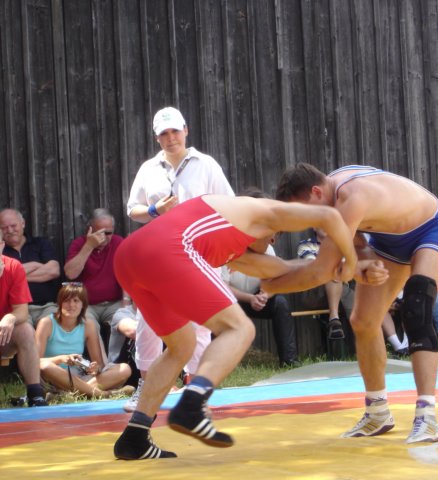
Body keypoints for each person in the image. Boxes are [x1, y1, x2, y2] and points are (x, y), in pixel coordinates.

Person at [112, 193, 363, 460]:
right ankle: (192, 404)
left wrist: (346, 268)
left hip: (130, 258)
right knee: (240, 328)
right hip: (167, 248)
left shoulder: (235, 244)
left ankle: (135, 437)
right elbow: (329, 215)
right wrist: (352, 260)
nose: (273, 242)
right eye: (274, 236)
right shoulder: (262, 211)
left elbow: (282, 268)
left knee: (181, 347)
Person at [270, 163, 438, 444]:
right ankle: (377, 411)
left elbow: (321, 271)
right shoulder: (331, 198)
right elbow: (357, 246)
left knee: (417, 308)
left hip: (431, 228)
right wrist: (366, 267)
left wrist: (270, 283)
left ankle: (427, 416)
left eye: (304, 211)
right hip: (388, 241)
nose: (307, 220)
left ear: (317, 191)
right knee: (363, 321)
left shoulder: (350, 198)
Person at [124, 106, 235, 412]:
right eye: (164, 133)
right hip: (158, 254)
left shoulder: (206, 164)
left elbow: (228, 204)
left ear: (186, 130)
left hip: (200, 252)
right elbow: (132, 209)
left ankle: (195, 392)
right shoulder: (149, 168)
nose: (171, 138)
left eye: (175, 131)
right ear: (156, 137)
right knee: (148, 319)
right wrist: (154, 210)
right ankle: (146, 387)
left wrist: (226, 247)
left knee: (200, 322)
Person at [35, 283, 133, 398]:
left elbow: (99, 364)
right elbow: (35, 361)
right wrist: (61, 359)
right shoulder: (47, 323)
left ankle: (71, 394)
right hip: (54, 376)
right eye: (66, 301)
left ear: (83, 305)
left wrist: (94, 368)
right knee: (46, 366)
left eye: (76, 301)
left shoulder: (88, 325)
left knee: (125, 369)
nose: (71, 305)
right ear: (60, 303)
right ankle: (103, 394)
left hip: (79, 376)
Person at [221, 243, 299, 367]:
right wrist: (250, 298)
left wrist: (265, 295)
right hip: (232, 300)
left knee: (280, 304)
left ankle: (289, 360)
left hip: (258, 296)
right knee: (217, 305)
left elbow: (275, 280)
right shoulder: (227, 249)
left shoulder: (267, 249)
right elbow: (223, 287)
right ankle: (220, 362)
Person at [63, 208, 126, 347]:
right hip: (86, 304)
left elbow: (128, 274)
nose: (104, 236)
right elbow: (71, 274)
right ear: (89, 229)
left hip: (114, 303)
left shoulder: (118, 242)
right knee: (90, 328)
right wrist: (89, 246)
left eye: (108, 233)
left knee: (127, 323)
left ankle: (127, 360)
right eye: (100, 232)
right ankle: (101, 361)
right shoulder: (79, 244)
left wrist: (126, 303)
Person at [0, 229, 48, 406]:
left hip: (3, 335)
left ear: (1, 246)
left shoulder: (13, 267)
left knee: (26, 330)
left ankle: (35, 395)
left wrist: (10, 318)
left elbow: (22, 312)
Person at [0, 208, 61, 326]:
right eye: (4, 228)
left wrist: (14, 276)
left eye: (13, 225)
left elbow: (53, 271)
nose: (10, 230)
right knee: (23, 330)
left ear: (23, 223)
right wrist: (35, 265)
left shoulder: (41, 243)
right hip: (14, 309)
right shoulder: (1, 250)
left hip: (46, 306)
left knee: (53, 325)